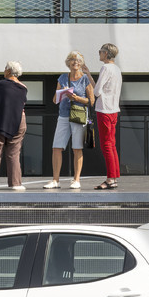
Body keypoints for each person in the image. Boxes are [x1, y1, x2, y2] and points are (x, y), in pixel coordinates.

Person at [46, 51, 93, 189]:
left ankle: (76, 180)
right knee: (56, 147)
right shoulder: (62, 78)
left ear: (81, 63)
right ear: (68, 62)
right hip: (63, 115)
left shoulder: (85, 79)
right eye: (72, 60)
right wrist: (62, 93)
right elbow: (55, 100)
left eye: (78, 60)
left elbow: (91, 101)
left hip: (79, 115)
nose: (75, 62)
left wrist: (76, 98)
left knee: (77, 148)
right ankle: (55, 180)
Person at [0, 60, 29, 190]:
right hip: (18, 121)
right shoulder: (24, 88)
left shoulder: (0, 85)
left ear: (9, 71)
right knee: (14, 154)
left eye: (5, 68)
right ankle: (15, 183)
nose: (4, 70)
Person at [93, 43, 123, 190]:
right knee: (112, 144)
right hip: (113, 109)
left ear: (106, 53)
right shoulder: (116, 69)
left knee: (106, 145)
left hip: (104, 109)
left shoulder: (105, 68)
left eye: (100, 51)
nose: (99, 53)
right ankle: (114, 177)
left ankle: (110, 179)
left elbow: (97, 91)